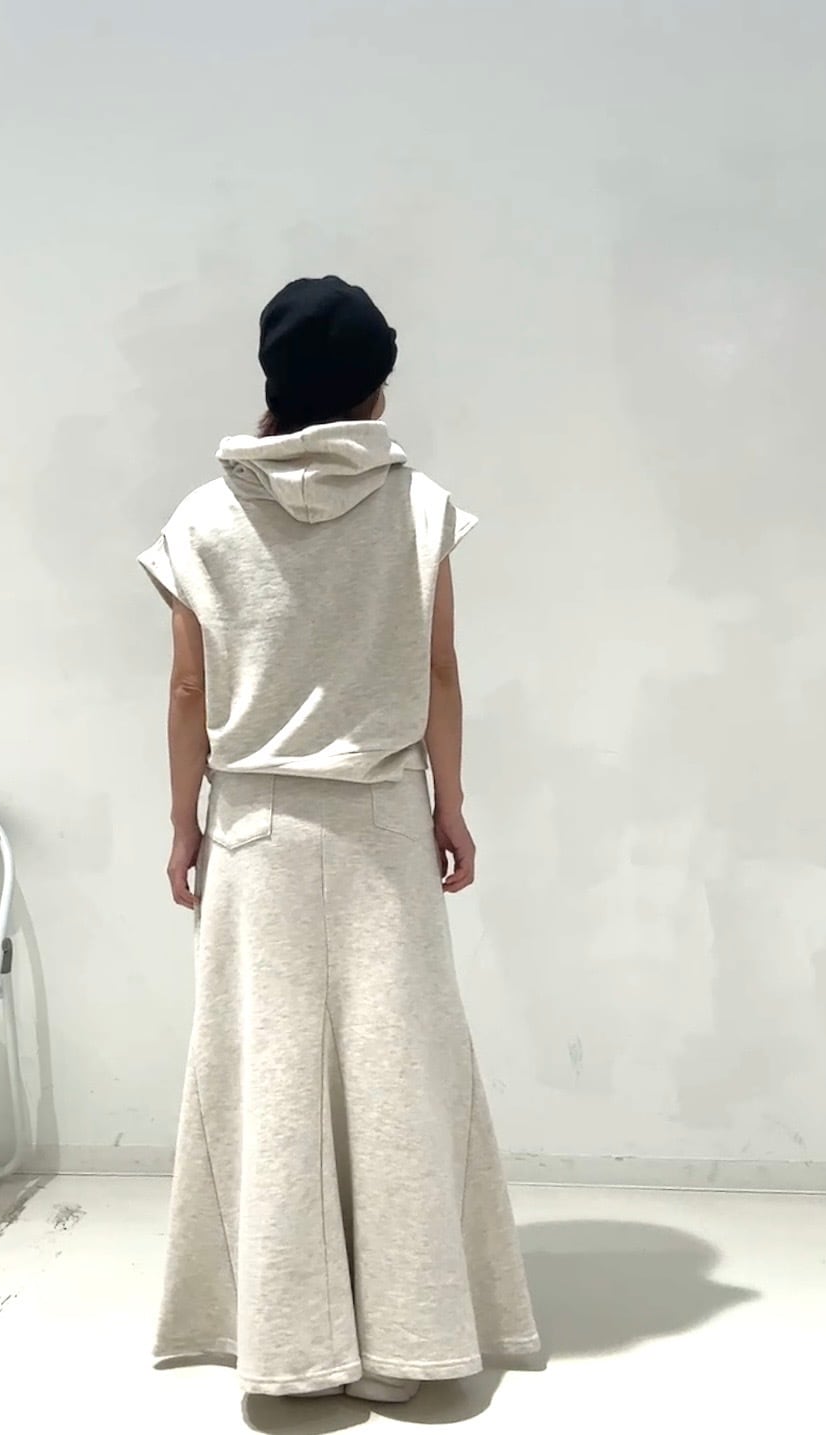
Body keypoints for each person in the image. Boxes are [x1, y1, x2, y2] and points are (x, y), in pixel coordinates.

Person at [137, 276, 540, 1403]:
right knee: (397, 1076)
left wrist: (182, 821)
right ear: (375, 389)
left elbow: (186, 688)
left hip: (255, 825)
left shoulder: (201, 518)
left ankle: (288, 1351)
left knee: (268, 1082)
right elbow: (439, 669)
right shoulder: (418, 508)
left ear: (271, 384)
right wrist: (448, 802)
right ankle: (407, 1348)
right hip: (379, 820)